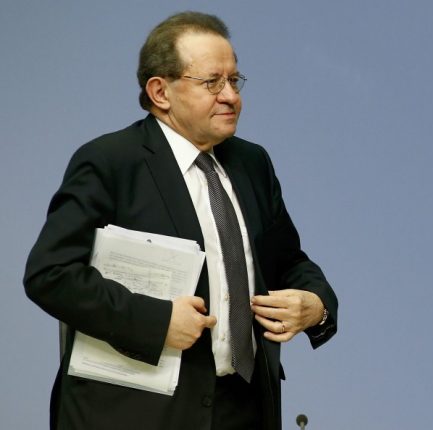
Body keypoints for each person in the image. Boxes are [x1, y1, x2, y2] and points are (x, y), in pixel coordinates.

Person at [24, 11, 337, 430]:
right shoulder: (110, 162)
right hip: (136, 412)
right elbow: (51, 275)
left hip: (244, 408)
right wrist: (157, 322)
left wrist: (316, 305)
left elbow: (289, 261)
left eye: (234, 80)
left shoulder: (252, 163)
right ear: (160, 92)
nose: (231, 96)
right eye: (212, 83)